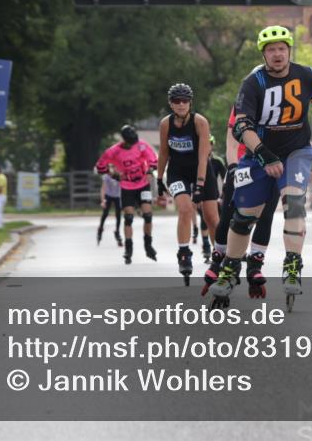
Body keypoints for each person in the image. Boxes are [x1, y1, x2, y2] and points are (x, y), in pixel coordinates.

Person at [210, 25, 312, 309]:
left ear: (290, 50)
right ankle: (231, 269)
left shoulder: (307, 75)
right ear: (264, 54)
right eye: (271, 50)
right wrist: (264, 155)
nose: (277, 54)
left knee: (294, 202)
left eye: (282, 49)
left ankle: (293, 264)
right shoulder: (253, 83)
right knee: (244, 217)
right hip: (258, 154)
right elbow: (242, 126)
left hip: (297, 151)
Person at [202, 106, 278, 299]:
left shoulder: (280, 104)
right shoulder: (243, 104)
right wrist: (234, 168)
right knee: (230, 213)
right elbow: (232, 144)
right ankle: (219, 260)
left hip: (270, 165)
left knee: (265, 215)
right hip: (243, 163)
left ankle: (255, 264)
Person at [156, 83, 220, 284]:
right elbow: (164, 153)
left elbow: (203, 158)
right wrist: (159, 179)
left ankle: (220, 257)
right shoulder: (166, 124)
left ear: (190, 103)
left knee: (211, 217)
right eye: (177, 101)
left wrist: (200, 186)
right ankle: (184, 253)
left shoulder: (199, 122)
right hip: (177, 172)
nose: (181, 105)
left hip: (201, 170)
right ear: (171, 104)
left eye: (185, 101)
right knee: (184, 209)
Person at [95, 124, 159, 265]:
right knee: (128, 217)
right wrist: (114, 175)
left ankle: (148, 244)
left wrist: (149, 171)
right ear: (124, 140)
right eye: (130, 143)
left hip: (143, 185)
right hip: (127, 186)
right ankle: (128, 248)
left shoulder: (141, 145)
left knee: (148, 215)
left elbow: (153, 160)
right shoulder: (114, 151)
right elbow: (100, 166)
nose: (133, 145)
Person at [97, 171, 123, 247]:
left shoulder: (120, 174)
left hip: (117, 196)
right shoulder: (106, 176)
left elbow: (124, 186)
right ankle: (100, 228)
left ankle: (117, 231)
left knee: (118, 214)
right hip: (108, 195)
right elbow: (103, 189)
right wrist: (103, 201)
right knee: (105, 213)